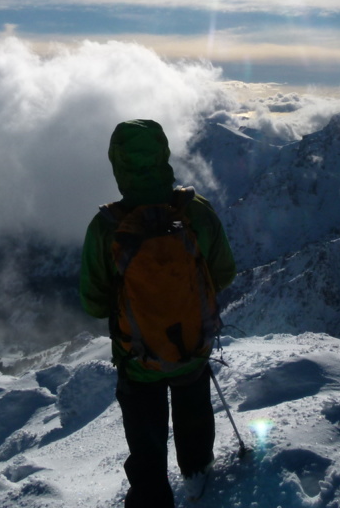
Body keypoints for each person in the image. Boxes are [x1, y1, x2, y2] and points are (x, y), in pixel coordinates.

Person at [80, 119, 237, 507]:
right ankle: (198, 475)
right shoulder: (194, 210)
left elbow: (94, 302)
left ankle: (152, 497)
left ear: (118, 165)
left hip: (138, 359)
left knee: (145, 436)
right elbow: (224, 272)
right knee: (193, 414)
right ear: (163, 155)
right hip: (192, 346)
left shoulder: (106, 227)